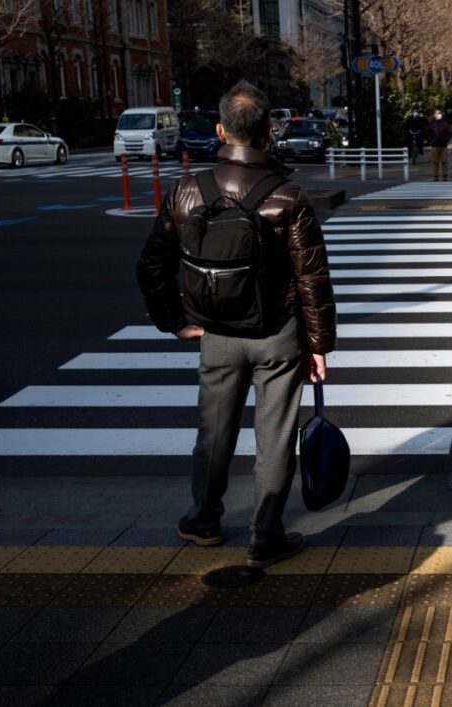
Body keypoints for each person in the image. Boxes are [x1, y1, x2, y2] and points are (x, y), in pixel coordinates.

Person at [136, 81, 337, 569]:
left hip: (217, 335)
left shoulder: (188, 189)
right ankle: (266, 535)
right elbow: (312, 277)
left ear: (223, 129)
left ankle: (203, 519)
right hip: (277, 334)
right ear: (269, 132)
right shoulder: (288, 195)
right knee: (275, 438)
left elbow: (151, 264)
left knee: (214, 430)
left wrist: (175, 322)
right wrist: (319, 345)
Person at [427, 108, 452, 181]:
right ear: (434, 115)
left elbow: (449, 133)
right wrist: (431, 141)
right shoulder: (431, 124)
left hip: (443, 145)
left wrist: (446, 141)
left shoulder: (444, 124)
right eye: (437, 113)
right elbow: (428, 134)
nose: (438, 115)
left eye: (439, 113)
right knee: (435, 161)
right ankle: (435, 175)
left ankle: (445, 174)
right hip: (435, 145)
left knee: (444, 160)